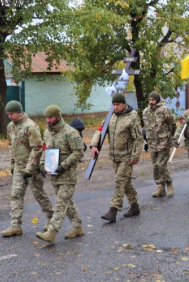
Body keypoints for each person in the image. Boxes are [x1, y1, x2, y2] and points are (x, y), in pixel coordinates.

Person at [1, 101, 53, 237]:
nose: (10, 116)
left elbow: (37, 148)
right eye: (8, 114)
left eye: (11, 114)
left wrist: (29, 168)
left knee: (39, 194)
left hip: (32, 169)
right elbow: (11, 146)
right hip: (19, 168)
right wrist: (12, 165)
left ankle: (51, 218)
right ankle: (15, 226)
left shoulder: (31, 126)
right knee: (15, 195)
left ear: (19, 112)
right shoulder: (10, 127)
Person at [36, 105, 85, 244]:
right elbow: (45, 150)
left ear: (58, 116)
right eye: (46, 117)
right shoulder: (47, 133)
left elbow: (79, 152)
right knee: (67, 203)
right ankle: (77, 227)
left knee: (60, 203)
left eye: (50, 117)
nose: (48, 120)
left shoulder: (70, 132)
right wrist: (42, 163)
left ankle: (51, 232)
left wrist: (63, 166)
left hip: (68, 175)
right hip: (54, 175)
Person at [91, 93, 143, 223]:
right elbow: (100, 130)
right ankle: (135, 206)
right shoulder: (111, 116)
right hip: (115, 156)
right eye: (113, 105)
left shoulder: (132, 117)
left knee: (120, 181)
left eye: (117, 105)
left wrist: (135, 156)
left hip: (127, 157)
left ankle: (113, 211)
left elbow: (138, 138)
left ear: (123, 104)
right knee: (125, 184)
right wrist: (94, 145)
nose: (115, 107)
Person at [142, 91, 176, 197]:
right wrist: (146, 139)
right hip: (152, 142)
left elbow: (173, 125)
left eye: (153, 100)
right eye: (150, 100)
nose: (151, 102)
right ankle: (160, 187)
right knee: (155, 166)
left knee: (161, 164)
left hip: (163, 141)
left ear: (157, 100)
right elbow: (146, 127)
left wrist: (170, 137)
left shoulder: (165, 110)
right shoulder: (146, 111)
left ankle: (169, 183)